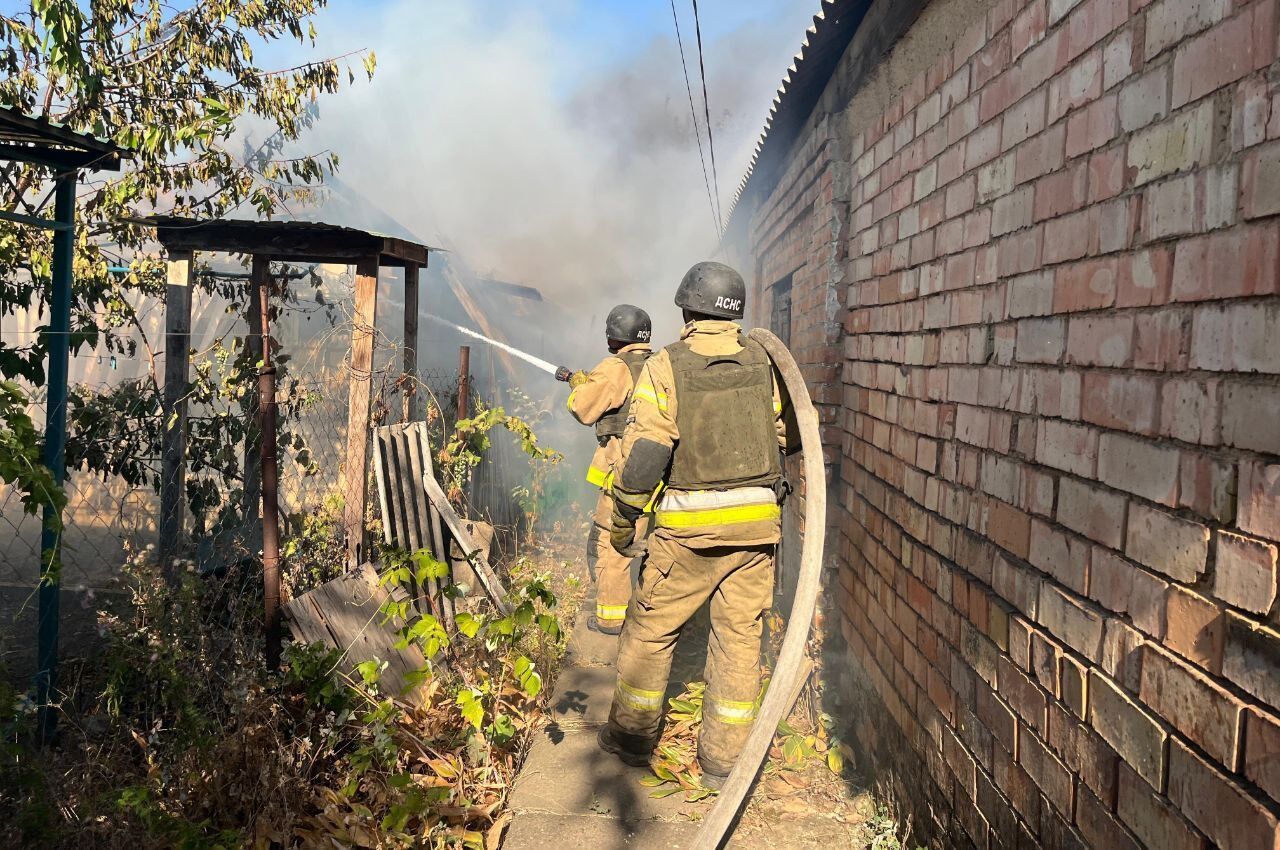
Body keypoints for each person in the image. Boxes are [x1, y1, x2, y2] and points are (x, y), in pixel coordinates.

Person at [597, 261, 791, 789]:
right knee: (739, 641)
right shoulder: (764, 361)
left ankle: (632, 737)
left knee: (652, 630)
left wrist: (624, 518)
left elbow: (648, 453)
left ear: (686, 310)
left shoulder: (667, 365)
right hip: (757, 532)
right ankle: (724, 762)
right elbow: (787, 435)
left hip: (689, 534)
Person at [565, 304, 654, 635]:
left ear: (614, 336)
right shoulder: (661, 364)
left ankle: (611, 620)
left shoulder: (616, 367)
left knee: (611, 545)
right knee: (652, 546)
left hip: (625, 474)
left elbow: (584, 407)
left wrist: (578, 384)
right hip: (661, 476)